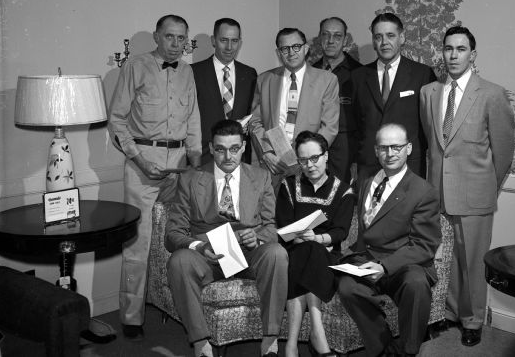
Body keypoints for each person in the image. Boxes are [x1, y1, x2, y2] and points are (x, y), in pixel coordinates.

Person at [420, 26, 515, 347]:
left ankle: (472, 320)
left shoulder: (491, 94)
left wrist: (487, 187)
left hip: (475, 195)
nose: (453, 55)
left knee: (472, 260)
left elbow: (503, 154)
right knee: (443, 258)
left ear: (472, 55)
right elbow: (434, 147)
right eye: (448, 49)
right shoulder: (430, 93)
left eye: (460, 49)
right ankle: (446, 312)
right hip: (437, 194)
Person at [108, 14, 201, 340]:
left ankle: (177, 306)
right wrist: (139, 160)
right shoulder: (135, 66)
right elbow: (117, 121)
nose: (176, 44)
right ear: (157, 38)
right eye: (170, 37)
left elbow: (193, 118)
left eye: (181, 38)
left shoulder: (187, 71)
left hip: (179, 166)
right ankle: (131, 318)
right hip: (142, 167)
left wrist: (196, 157)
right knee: (138, 244)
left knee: (181, 237)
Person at [165, 119, 288, 357]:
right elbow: (172, 234)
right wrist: (198, 246)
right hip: (208, 255)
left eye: (234, 149)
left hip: (249, 254)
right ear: (211, 148)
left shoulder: (261, 177)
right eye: (220, 149)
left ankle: (270, 338)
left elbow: (271, 226)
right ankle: (201, 343)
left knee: (277, 253)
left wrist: (258, 238)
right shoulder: (191, 179)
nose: (228, 156)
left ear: (243, 147)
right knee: (179, 260)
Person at [336, 123, 441, 357]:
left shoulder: (423, 191)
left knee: (416, 285)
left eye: (396, 147)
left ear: (409, 148)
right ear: (376, 151)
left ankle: (409, 351)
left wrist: (385, 267)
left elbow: (425, 244)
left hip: (404, 263)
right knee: (346, 287)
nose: (390, 153)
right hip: (368, 258)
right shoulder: (367, 183)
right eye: (384, 148)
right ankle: (383, 349)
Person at [276, 131, 355, 357]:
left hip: (328, 255)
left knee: (314, 250)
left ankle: (291, 345)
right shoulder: (288, 186)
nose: (309, 165)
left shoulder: (343, 190)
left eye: (315, 158)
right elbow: (283, 227)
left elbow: (341, 231)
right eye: (303, 160)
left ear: (326, 156)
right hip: (293, 251)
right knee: (307, 251)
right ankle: (317, 335)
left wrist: (319, 238)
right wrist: (302, 237)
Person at [352, 13, 436, 182]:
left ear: (402, 37)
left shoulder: (422, 74)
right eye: (378, 37)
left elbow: (430, 126)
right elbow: (354, 125)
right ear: (374, 42)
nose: (384, 42)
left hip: (409, 165)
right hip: (369, 165)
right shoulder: (358, 76)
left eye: (390, 35)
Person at [249, 28, 340, 180]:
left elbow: (329, 126)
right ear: (278, 53)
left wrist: (307, 157)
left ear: (305, 48)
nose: (291, 53)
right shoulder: (264, 80)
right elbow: (255, 121)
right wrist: (266, 152)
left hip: (309, 165)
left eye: (296, 47)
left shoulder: (327, 80)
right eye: (285, 49)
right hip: (273, 164)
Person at [191, 18, 257, 164]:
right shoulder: (193, 72)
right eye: (223, 40)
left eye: (234, 41)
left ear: (240, 42)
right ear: (213, 40)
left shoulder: (250, 74)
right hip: (204, 156)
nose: (229, 47)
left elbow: (253, 113)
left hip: (238, 157)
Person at [313, 17, 362, 184]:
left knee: (342, 203)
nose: (331, 41)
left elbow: (365, 120)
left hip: (346, 151)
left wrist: (357, 159)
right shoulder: (309, 72)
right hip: (314, 149)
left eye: (337, 36)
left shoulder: (360, 74)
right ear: (319, 37)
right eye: (326, 35)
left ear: (345, 39)